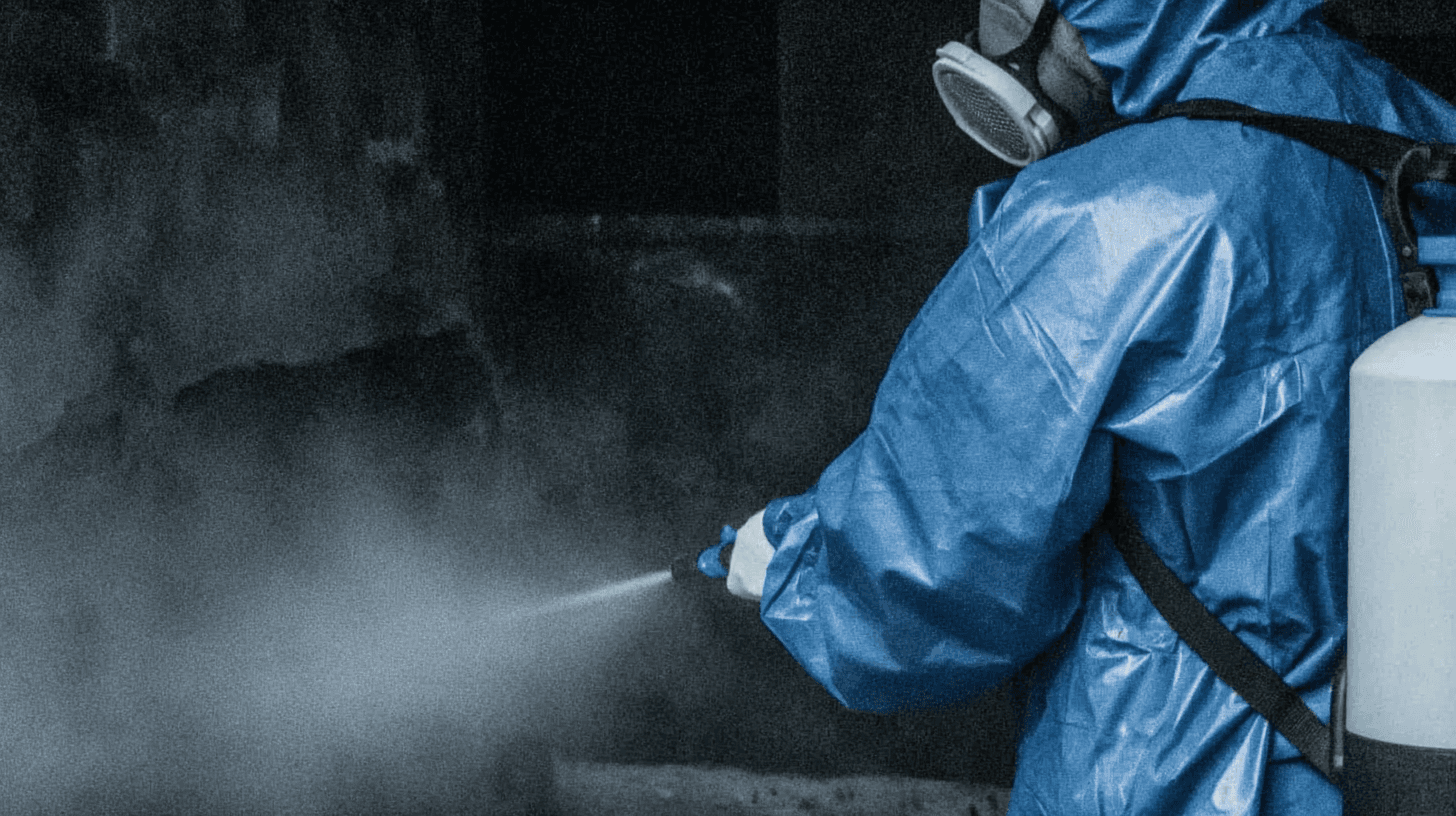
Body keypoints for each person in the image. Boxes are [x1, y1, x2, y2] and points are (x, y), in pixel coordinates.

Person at [717, 0, 1456, 813]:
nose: (992, 40)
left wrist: (794, 566)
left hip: (1179, 775)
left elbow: (932, 566)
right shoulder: (1431, 143)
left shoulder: (1112, 211)